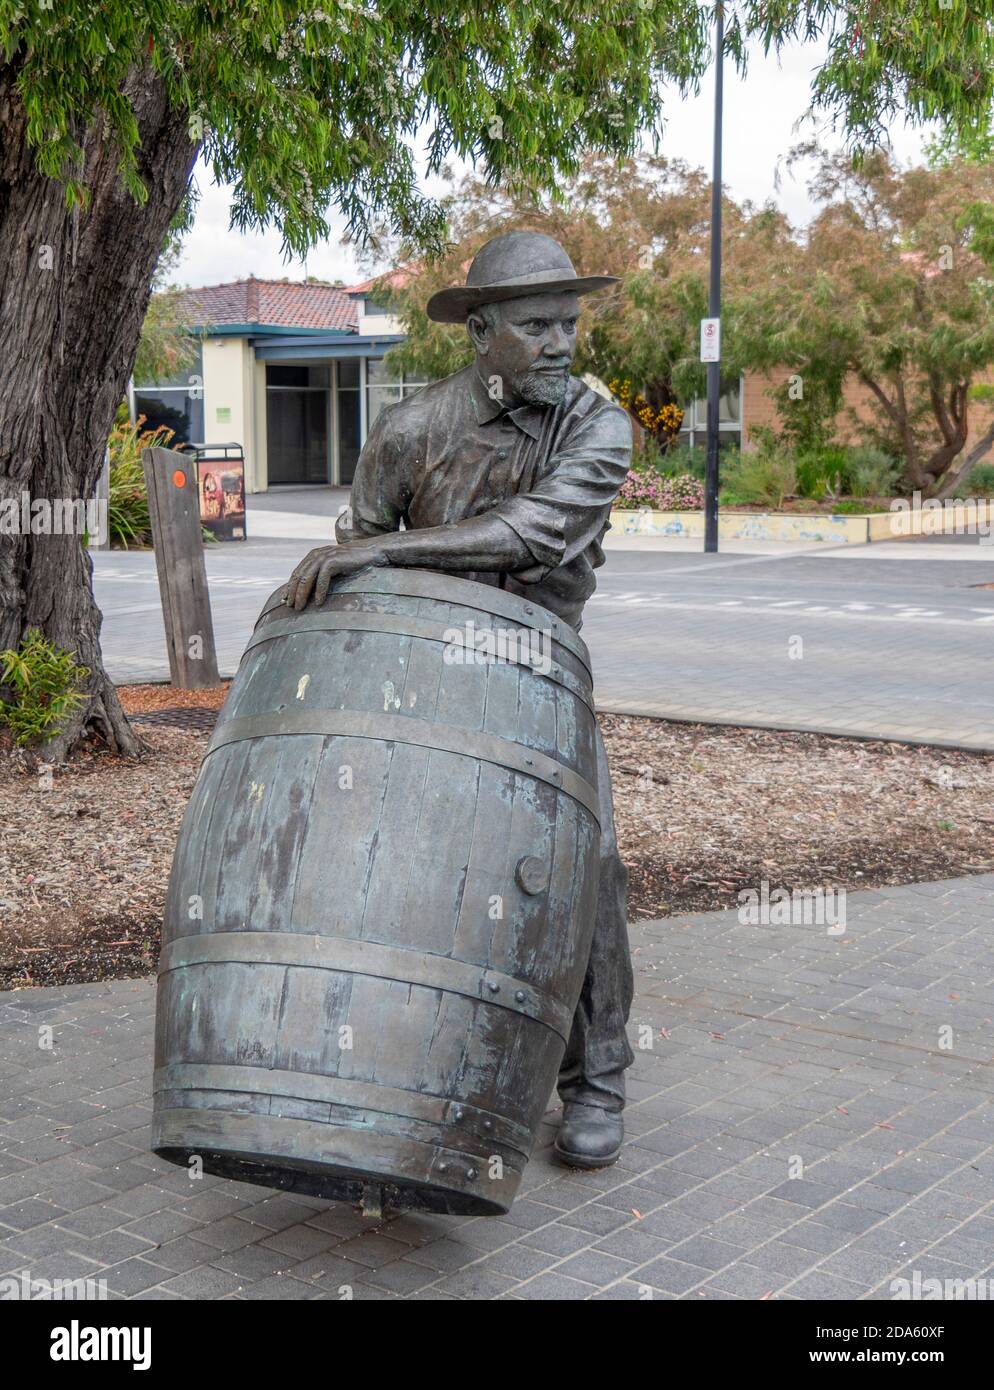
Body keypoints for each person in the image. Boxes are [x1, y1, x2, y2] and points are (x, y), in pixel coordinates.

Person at [285, 231, 635, 1167]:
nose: (560, 341)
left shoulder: (597, 426)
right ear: (481, 331)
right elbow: (351, 557)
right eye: (535, 325)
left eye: (568, 323)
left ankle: (597, 1080)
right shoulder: (412, 430)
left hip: (541, 663)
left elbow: (535, 530)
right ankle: (400, 1057)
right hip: (425, 671)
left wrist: (387, 551)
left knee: (586, 860)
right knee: (403, 854)